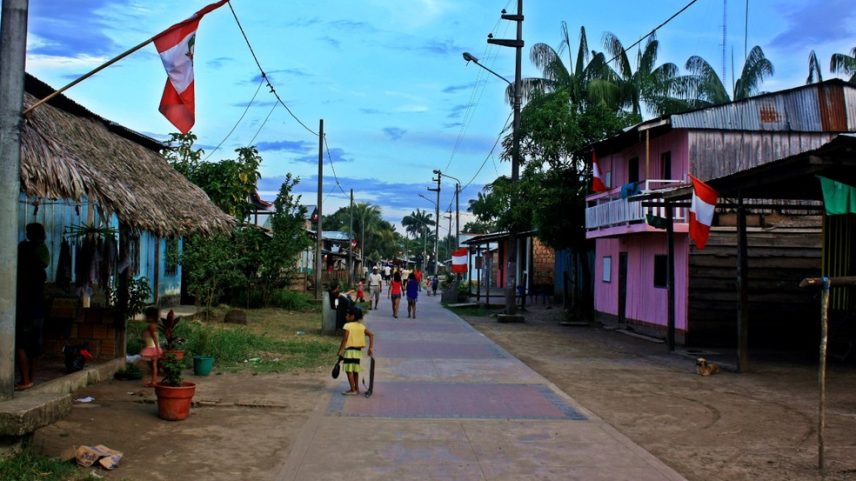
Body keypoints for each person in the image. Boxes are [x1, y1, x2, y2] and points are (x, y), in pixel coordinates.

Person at [15, 223, 49, 391]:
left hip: (25, 307)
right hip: (38, 307)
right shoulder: (41, 269)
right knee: (35, 346)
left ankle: (25, 379)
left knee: (21, 344)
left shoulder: (24, 252)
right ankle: (31, 378)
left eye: (28, 232)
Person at [337, 306, 374, 395]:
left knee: (348, 370)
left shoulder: (347, 326)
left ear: (352, 316)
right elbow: (371, 335)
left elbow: (345, 339)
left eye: (347, 315)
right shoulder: (361, 326)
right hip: (357, 351)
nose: (346, 316)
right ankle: (356, 388)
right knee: (355, 369)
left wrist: (340, 350)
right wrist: (370, 348)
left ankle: (352, 390)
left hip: (349, 351)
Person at [140, 307, 163, 387]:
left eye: (147, 316)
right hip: (153, 346)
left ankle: (153, 381)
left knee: (153, 365)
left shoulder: (151, 326)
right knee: (153, 365)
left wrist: (157, 348)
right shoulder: (153, 325)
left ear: (151, 316)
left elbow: (154, 337)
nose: (145, 317)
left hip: (152, 347)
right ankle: (153, 381)